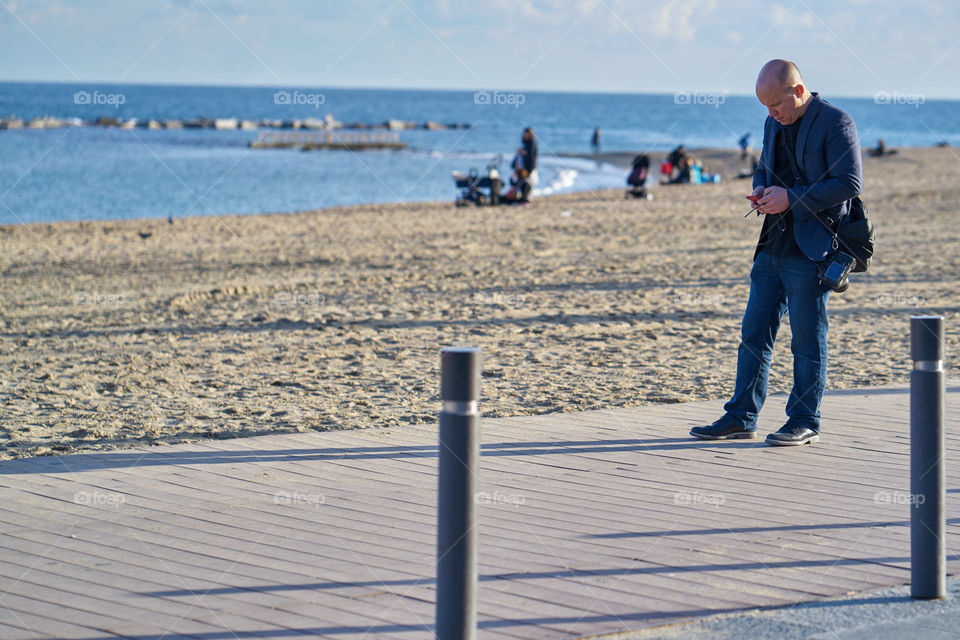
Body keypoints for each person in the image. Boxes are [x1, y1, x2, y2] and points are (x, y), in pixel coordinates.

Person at [689, 59, 862, 446]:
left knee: (806, 339)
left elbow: (850, 183)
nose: (770, 114)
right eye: (765, 108)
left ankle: (805, 421)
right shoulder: (772, 123)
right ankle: (740, 417)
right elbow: (765, 168)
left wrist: (792, 199)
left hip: (814, 246)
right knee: (753, 333)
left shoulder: (837, 122)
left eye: (775, 106)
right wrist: (763, 190)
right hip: (772, 241)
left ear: (798, 92)